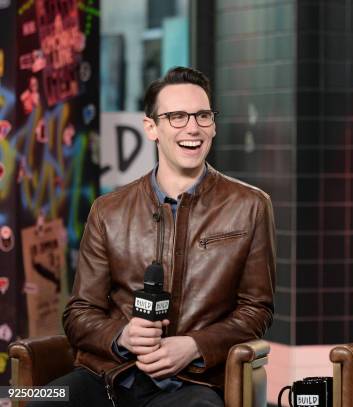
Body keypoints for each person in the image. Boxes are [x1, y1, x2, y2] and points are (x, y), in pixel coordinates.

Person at [42, 67, 276, 407]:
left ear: (214, 124)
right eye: (177, 117)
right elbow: (80, 312)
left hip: (193, 383)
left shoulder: (251, 206)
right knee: (35, 397)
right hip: (109, 375)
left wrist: (194, 346)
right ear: (151, 127)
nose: (193, 127)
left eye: (202, 115)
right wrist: (123, 336)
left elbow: (257, 310)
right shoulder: (108, 210)